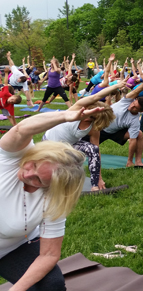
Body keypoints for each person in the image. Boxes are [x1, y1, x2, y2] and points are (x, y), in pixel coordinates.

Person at [0, 107, 105, 290]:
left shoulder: (54, 199)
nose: (27, 174)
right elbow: (21, 129)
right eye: (33, 165)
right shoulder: (12, 159)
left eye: (38, 179)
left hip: (9, 249)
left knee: (50, 284)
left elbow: (49, 254)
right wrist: (64, 116)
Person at [43, 84, 120, 191]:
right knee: (56, 170)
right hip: (49, 143)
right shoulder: (75, 110)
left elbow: (96, 154)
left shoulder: (93, 127)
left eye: (93, 119)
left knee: (93, 149)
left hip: (68, 146)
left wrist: (99, 178)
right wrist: (116, 85)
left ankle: (95, 186)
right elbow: (95, 97)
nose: (89, 119)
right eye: (91, 116)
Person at [97, 71, 143, 167]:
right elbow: (136, 91)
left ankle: (137, 161)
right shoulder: (126, 101)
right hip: (100, 127)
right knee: (79, 146)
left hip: (115, 131)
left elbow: (132, 140)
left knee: (138, 134)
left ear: (141, 111)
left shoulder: (134, 121)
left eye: (136, 108)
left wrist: (129, 160)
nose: (132, 107)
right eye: (133, 104)